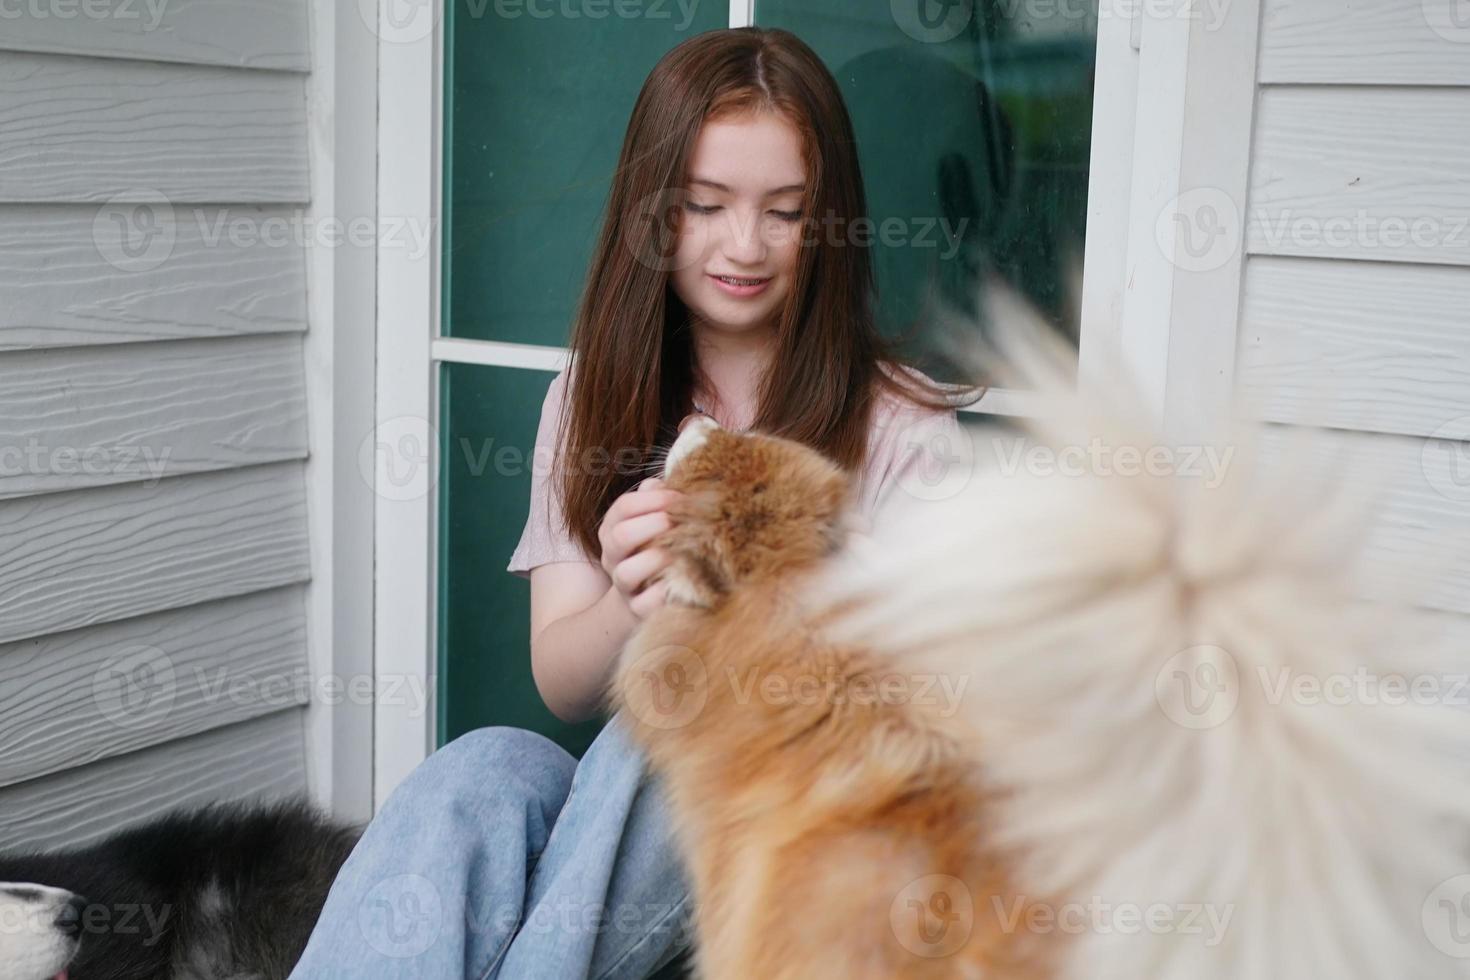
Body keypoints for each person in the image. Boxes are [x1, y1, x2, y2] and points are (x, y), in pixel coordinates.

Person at [287, 26, 977, 980]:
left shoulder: (901, 427)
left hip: (795, 854)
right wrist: (626, 600)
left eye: (786, 212)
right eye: (705, 206)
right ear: (654, 211)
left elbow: (928, 744)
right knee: (487, 766)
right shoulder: (588, 397)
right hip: (620, 853)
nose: (746, 245)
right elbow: (562, 685)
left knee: (671, 726)